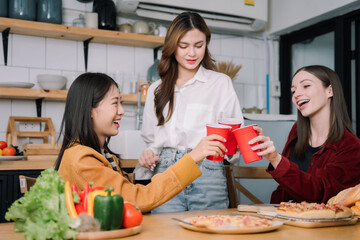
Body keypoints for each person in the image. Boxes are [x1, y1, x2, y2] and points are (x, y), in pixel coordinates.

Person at [54, 72, 228, 213]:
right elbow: (138, 199)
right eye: (115, 103)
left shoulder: (94, 154)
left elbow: (121, 191)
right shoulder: (82, 160)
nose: (121, 111)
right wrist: (193, 157)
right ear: (90, 110)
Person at [139, 12, 243, 213]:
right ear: (172, 46)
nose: (192, 53)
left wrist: (238, 143)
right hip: (167, 171)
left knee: (211, 231)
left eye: (199, 45)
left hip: (208, 171)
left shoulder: (220, 83)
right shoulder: (157, 89)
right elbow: (152, 141)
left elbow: (234, 141)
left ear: (206, 44)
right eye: (183, 46)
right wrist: (149, 154)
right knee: (164, 232)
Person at [250, 65, 360, 203]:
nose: (296, 94)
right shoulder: (296, 132)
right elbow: (283, 189)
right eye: (293, 90)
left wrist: (276, 160)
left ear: (330, 91)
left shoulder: (352, 147)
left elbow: (320, 193)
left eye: (306, 86)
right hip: (285, 217)